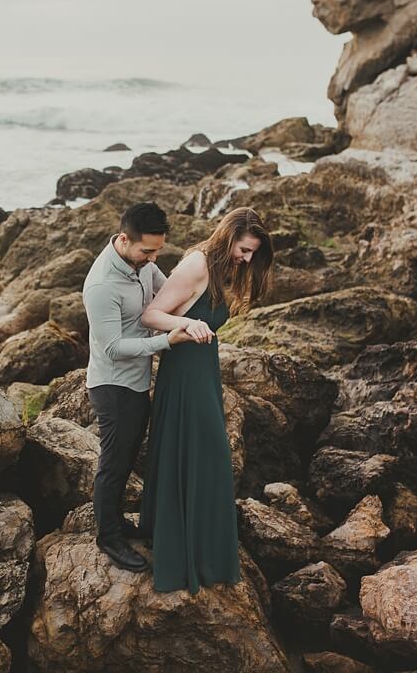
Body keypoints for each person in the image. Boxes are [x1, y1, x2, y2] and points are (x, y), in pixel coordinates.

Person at [140, 206, 274, 593]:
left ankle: (203, 552)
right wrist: (185, 322)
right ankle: (186, 555)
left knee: (207, 457)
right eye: (244, 249)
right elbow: (151, 315)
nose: (246, 259)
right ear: (228, 236)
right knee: (201, 454)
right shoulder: (197, 264)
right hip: (183, 374)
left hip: (204, 371)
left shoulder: (225, 268)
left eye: (252, 254)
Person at [81, 202, 203, 572]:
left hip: (136, 383)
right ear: (123, 239)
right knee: (115, 466)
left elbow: (168, 299)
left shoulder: (143, 265)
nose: (153, 258)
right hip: (113, 387)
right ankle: (109, 538)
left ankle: (116, 524)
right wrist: (168, 342)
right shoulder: (102, 285)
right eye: (147, 251)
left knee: (130, 457)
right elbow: (114, 349)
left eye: (158, 251)